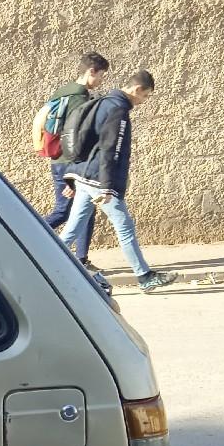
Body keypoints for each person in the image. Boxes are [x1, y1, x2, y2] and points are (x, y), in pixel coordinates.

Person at [58, 69, 177, 294]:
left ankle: (44, 263)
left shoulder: (103, 101)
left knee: (72, 229)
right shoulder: (118, 109)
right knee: (124, 228)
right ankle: (145, 277)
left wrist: (72, 178)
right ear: (137, 89)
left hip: (84, 176)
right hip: (98, 180)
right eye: (146, 96)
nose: (144, 101)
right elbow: (111, 149)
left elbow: (89, 140)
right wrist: (107, 186)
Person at [34, 52, 109, 256]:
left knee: (86, 210)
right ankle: (27, 239)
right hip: (70, 163)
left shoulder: (63, 91)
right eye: (101, 75)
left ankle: (82, 258)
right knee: (63, 211)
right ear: (91, 71)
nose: (101, 80)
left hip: (61, 160)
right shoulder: (79, 96)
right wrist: (76, 174)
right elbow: (76, 136)